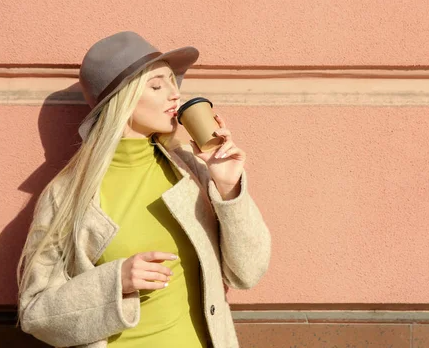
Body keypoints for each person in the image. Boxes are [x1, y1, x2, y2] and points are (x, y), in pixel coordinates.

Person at [16, 31, 271, 348]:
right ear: (122, 100)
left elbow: (248, 273)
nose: (174, 96)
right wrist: (115, 281)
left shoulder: (189, 171)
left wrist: (228, 187)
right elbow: (35, 313)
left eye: (172, 83)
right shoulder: (67, 195)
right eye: (156, 85)